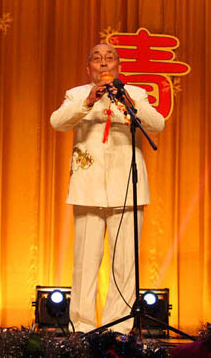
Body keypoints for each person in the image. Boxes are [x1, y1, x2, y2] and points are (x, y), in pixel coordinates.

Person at [50, 43, 165, 334]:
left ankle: (120, 328)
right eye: (96, 58)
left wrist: (129, 101)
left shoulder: (135, 93)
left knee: (125, 264)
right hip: (87, 189)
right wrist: (88, 102)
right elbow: (57, 122)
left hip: (126, 186)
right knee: (84, 263)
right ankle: (81, 326)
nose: (103, 63)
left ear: (119, 66)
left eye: (109, 58)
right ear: (88, 67)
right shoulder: (76, 94)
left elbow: (157, 124)